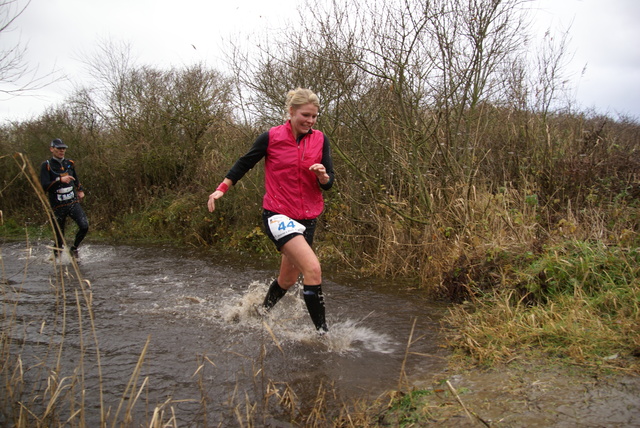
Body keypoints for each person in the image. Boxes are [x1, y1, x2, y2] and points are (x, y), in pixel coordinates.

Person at [208, 88, 335, 333]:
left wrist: (322, 176)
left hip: (308, 217)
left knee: (287, 280)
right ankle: (323, 336)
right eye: (305, 115)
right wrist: (221, 189)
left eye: (314, 116)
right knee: (313, 269)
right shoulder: (271, 137)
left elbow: (329, 184)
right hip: (278, 214)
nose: (310, 121)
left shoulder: (321, 139)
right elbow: (244, 163)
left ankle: (259, 314)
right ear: (291, 112)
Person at [40, 138, 89, 258]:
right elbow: (44, 186)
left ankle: (74, 249)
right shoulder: (46, 165)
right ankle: (58, 265)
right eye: (59, 148)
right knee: (59, 239)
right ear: (52, 149)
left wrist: (80, 189)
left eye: (63, 149)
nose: (62, 151)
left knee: (84, 226)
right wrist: (59, 180)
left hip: (72, 202)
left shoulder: (70, 163)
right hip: (57, 206)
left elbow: (75, 178)